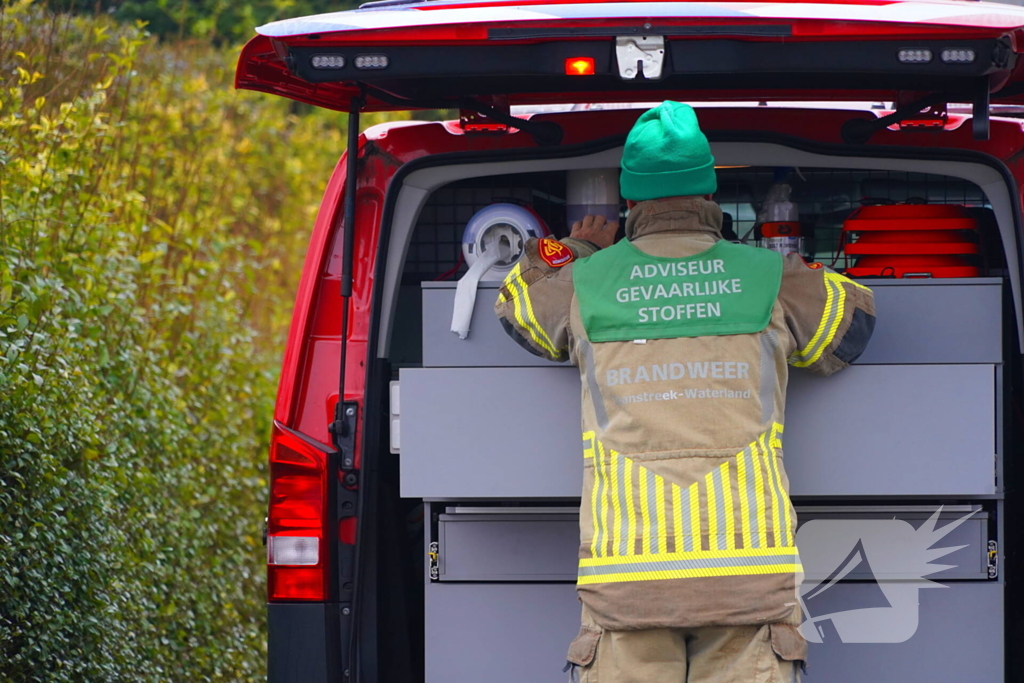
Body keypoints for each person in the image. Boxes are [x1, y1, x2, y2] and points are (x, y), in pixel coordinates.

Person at [494, 101, 876, 682]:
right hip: (748, 581)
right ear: (708, 195)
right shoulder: (766, 276)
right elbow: (854, 324)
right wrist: (798, 267)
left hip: (626, 584)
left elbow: (516, 305)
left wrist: (581, 250)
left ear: (630, 202)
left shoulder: (587, 281)